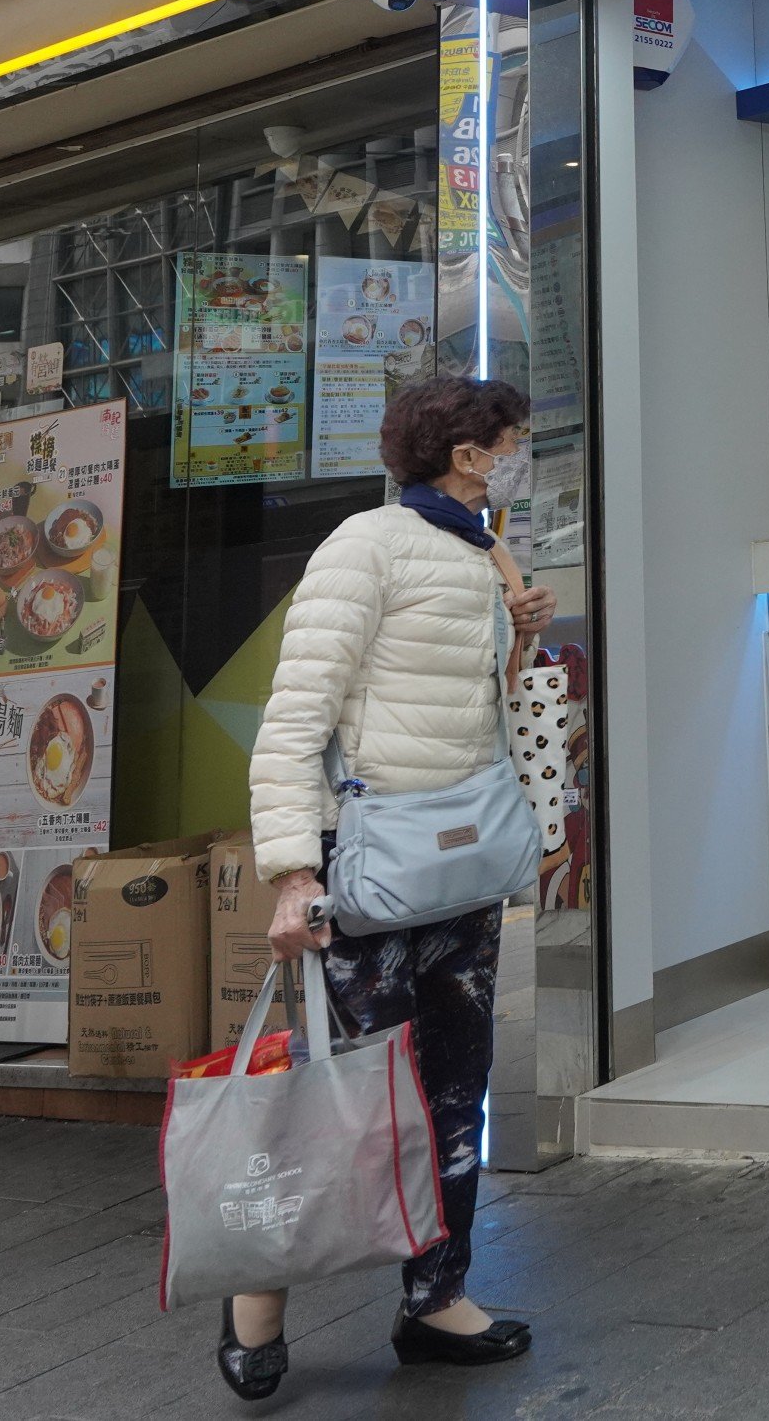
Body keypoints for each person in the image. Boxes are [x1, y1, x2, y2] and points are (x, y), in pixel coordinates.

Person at [223, 374, 559, 1398]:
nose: (521, 456)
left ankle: (437, 1298)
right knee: (352, 1100)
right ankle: (259, 1292)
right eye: (513, 443)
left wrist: (522, 632)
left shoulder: (478, 545)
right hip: (368, 872)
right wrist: (290, 874)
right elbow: (290, 723)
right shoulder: (365, 546)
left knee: (458, 1088)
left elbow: (461, 710)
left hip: (456, 866)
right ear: (468, 452)